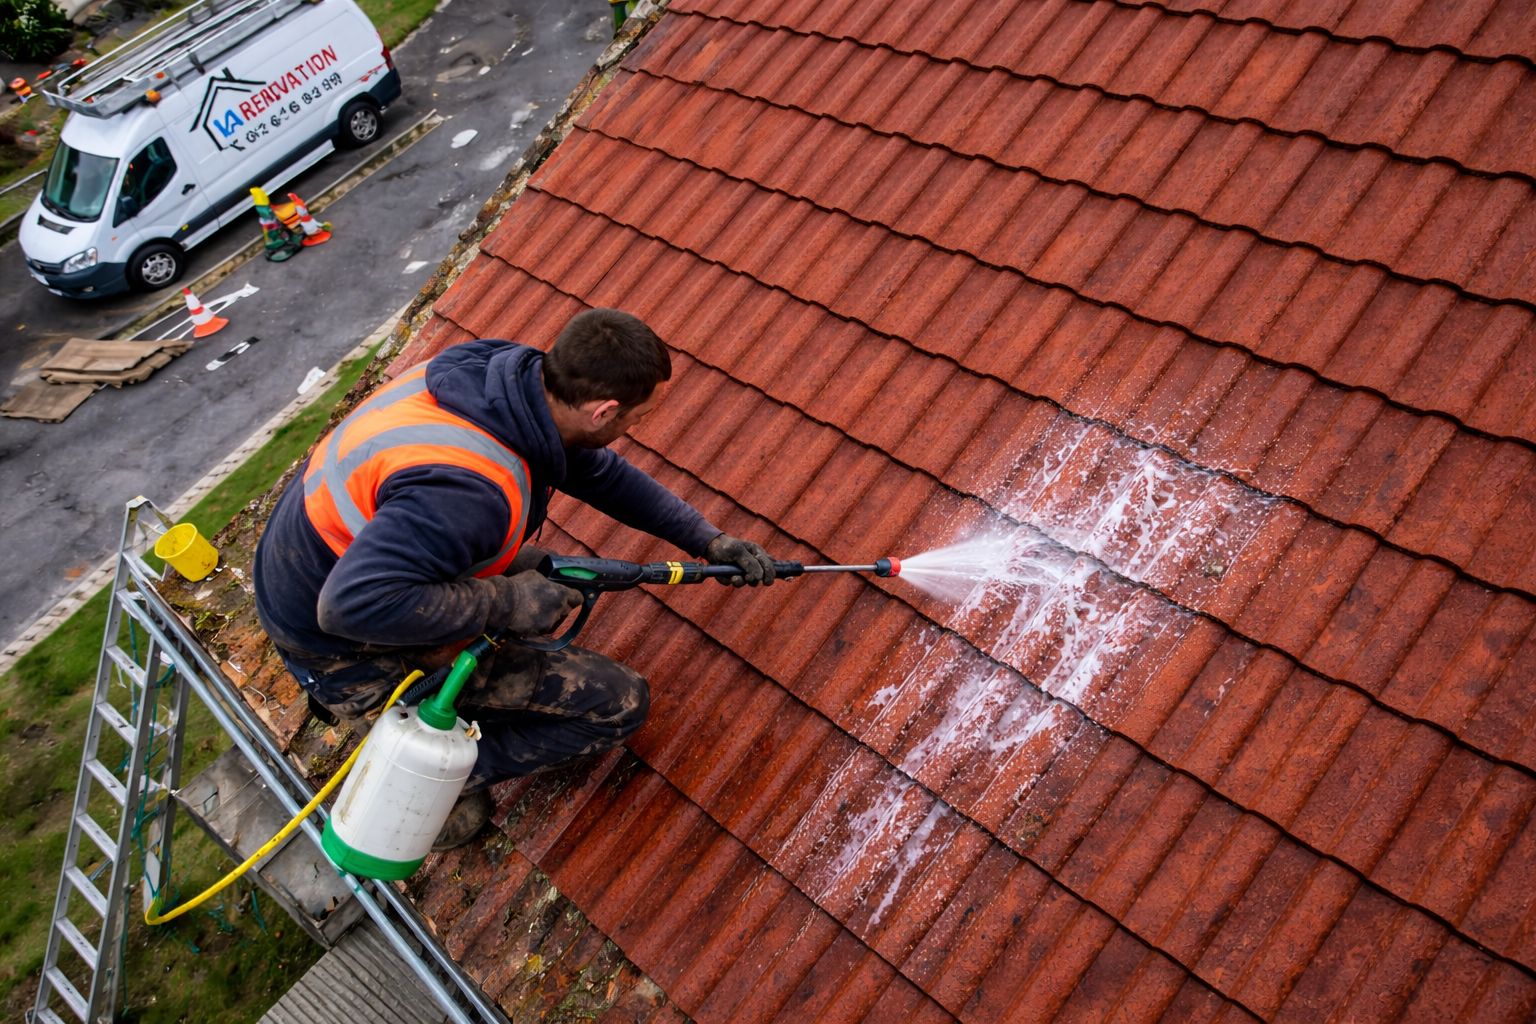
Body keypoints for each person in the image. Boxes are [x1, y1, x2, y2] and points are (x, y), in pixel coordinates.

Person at [253, 309, 777, 848]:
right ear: (604, 411)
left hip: (313, 568)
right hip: (337, 640)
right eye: (637, 419)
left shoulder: (501, 382)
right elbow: (348, 606)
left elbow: (597, 471)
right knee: (617, 702)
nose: (635, 430)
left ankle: (438, 698)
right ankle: (424, 768)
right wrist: (504, 600)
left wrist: (706, 539)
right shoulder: (469, 491)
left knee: (534, 570)